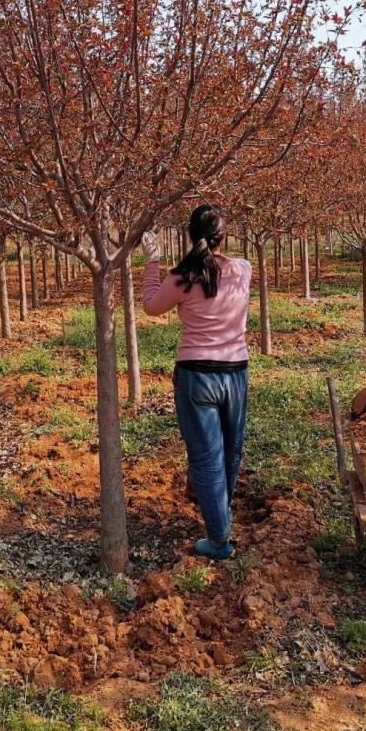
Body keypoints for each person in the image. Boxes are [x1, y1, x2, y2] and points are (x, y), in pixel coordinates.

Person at [141, 205, 252, 560]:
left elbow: (150, 307)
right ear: (224, 236)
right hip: (235, 372)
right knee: (231, 449)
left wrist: (152, 262)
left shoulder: (182, 279)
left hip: (197, 376)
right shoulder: (243, 270)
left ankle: (219, 539)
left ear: (191, 235)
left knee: (206, 457)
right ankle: (222, 514)